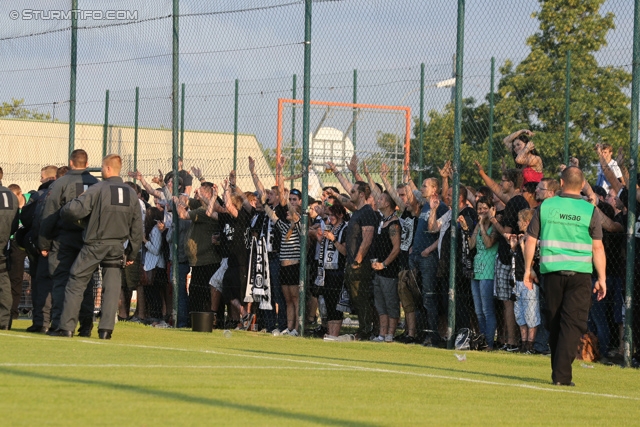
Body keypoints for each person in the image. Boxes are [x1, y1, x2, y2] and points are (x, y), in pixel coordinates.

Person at [524, 166, 606, 386]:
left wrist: (527, 269)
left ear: (561, 183)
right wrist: (602, 278)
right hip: (580, 274)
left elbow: (530, 239)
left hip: (551, 274)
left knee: (555, 323)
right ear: (581, 186)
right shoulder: (590, 211)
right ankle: (561, 375)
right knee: (573, 324)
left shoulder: (547, 205)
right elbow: (598, 248)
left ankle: (560, 374)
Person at [54, 154, 143, 339]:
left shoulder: (98, 188)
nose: (101, 170)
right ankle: (105, 330)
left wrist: (65, 211)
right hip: (117, 246)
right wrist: (132, 253)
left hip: (95, 244)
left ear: (108, 169)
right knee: (112, 287)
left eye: (102, 167)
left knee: (76, 280)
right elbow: (137, 227)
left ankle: (67, 327)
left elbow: (75, 210)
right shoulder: (131, 193)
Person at [39, 149, 99, 336]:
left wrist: (44, 242)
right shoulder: (97, 184)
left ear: (71, 163)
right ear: (87, 163)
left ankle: (59, 323)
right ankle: (86, 326)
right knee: (86, 282)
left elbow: (49, 214)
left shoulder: (61, 183)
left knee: (61, 280)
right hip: (88, 238)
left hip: (64, 238)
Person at [411, 177, 448, 346]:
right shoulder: (426, 205)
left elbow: (441, 233)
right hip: (417, 255)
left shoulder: (440, 206)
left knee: (429, 296)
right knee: (417, 296)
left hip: (428, 258)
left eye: (425, 186)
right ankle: (421, 333)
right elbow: (414, 192)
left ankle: (432, 335)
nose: (422, 188)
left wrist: (429, 249)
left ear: (434, 189)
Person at [461, 196, 499, 350]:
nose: (482, 211)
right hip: (477, 270)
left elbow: (489, 243)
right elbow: (471, 245)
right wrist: (467, 228)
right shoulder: (478, 225)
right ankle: (482, 340)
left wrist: (483, 225)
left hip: (488, 271)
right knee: (478, 311)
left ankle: (489, 342)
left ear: (492, 209)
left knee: (487, 309)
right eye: (479, 208)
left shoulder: (495, 226)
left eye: (485, 208)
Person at [344, 181, 378, 340]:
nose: (350, 193)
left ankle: (366, 331)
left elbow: (368, 238)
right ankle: (363, 328)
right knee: (356, 299)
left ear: (362, 194)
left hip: (360, 264)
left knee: (362, 298)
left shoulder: (367, 212)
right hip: (352, 261)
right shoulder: (357, 212)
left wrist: (357, 260)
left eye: (353, 191)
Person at [370, 192, 401, 343]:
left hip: (389, 271)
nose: (378, 200)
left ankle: (390, 333)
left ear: (388, 204)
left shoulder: (394, 224)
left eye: (381, 199)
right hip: (378, 270)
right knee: (380, 304)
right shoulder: (381, 222)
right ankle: (382, 333)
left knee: (391, 302)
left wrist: (384, 264)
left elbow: (396, 248)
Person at [509, 208, 540, 354]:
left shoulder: (533, 239)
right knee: (519, 314)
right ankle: (523, 342)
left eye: (520, 220)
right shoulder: (522, 237)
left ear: (527, 222)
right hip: (518, 281)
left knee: (531, 314)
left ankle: (530, 344)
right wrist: (514, 247)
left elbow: (532, 262)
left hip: (529, 281)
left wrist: (522, 246)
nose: (517, 223)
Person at [317, 202, 350, 341]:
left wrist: (334, 239)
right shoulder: (329, 227)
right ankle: (330, 334)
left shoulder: (345, 228)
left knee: (336, 304)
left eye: (333, 215)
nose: (330, 218)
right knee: (329, 303)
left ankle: (335, 334)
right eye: (329, 215)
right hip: (326, 270)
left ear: (341, 215)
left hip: (338, 271)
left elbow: (345, 251)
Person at [0, 182, 19, 329]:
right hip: (3, 243)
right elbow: (14, 223)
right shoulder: (11, 196)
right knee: (3, 279)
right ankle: (4, 321)